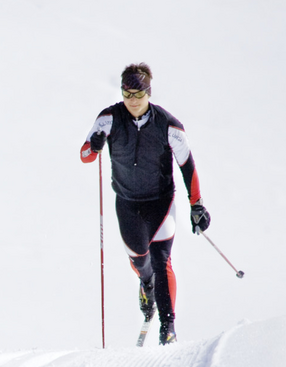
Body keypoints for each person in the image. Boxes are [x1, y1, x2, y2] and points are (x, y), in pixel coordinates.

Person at [79, 63, 211, 345]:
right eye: (127, 94)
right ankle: (145, 283)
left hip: (161, 203)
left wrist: (196, 205)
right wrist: (96, 145)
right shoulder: (109, 118)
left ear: (148, 93)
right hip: (127, 203)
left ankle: (168, 327)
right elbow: (85, 155)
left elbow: (187, 165)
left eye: (138, 95)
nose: (133, 101)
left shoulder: (169, 125)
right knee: (140, 260)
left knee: (162, 260)